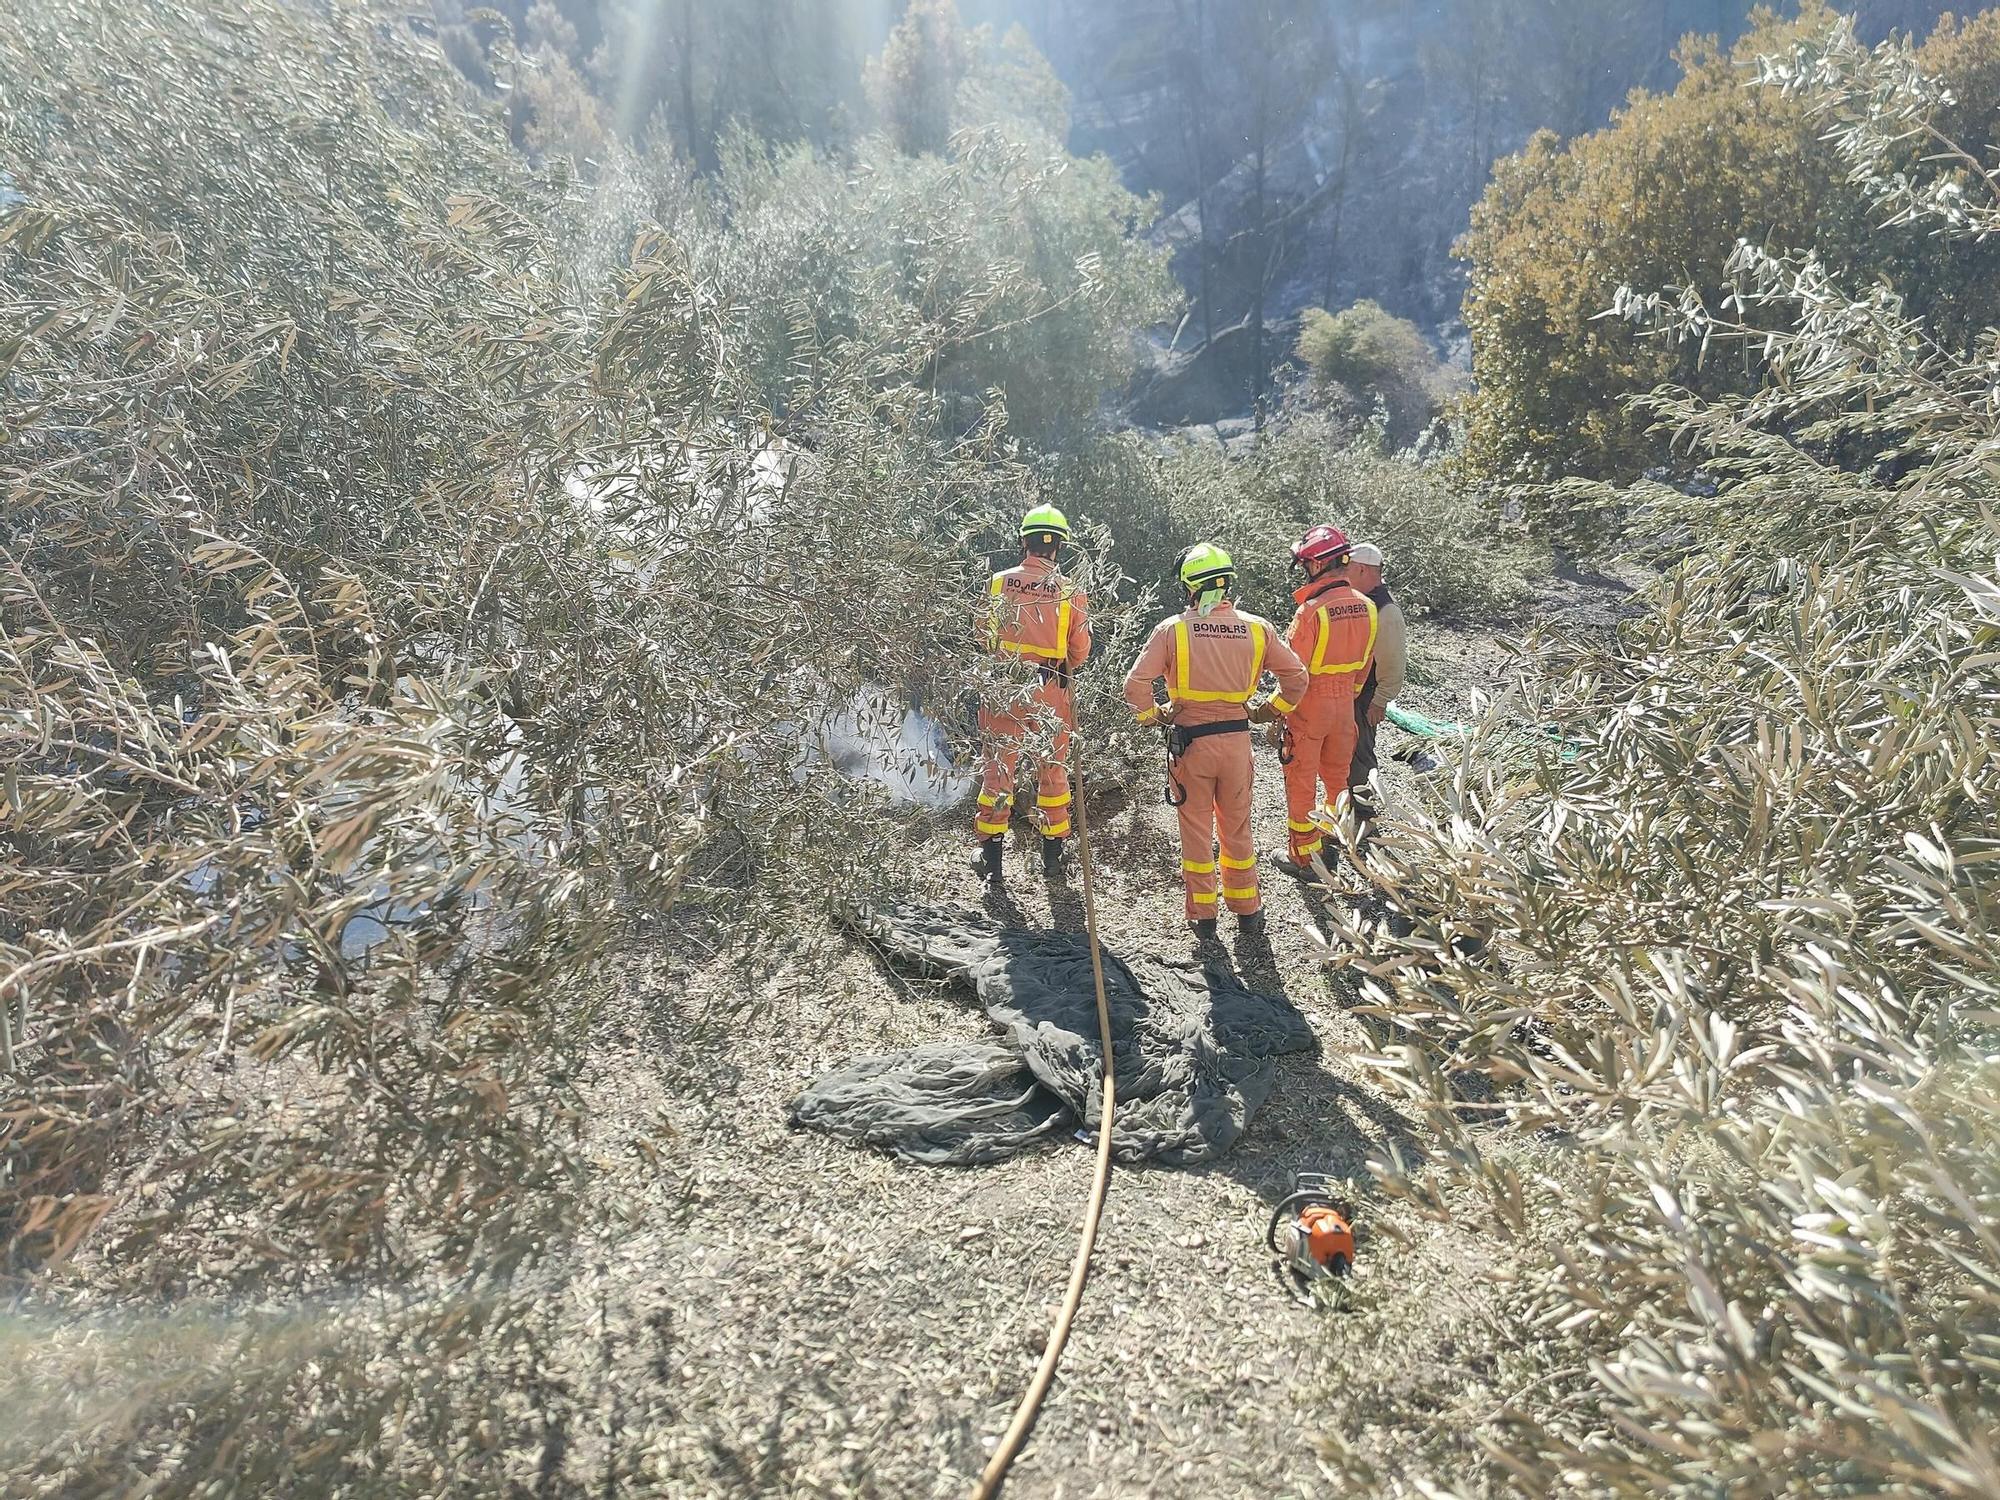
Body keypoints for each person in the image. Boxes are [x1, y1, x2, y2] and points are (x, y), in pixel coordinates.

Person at [1122, 543, 1308, 939]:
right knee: (1237, 827)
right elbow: (1297, 678)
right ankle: (1248, 910)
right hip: (1237, 744)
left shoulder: (1172, 629)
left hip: (1191, 746)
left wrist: (1155, 717)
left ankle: (1203, 916)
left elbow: (1135, 685)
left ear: (1189, 586)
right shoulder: (1257, 628)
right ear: (1227, 584)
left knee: (1195, 830)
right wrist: (1267, 710)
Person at [973, 503, 1091, 885]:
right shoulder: (1070, 591)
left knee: (998, 771)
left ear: (1024, 542)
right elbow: (1079, 651)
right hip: (1050, 689)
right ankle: (1052, 860)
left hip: (1004, 688)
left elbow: (983, 635)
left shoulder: (998, 582)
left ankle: (991, 860)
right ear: (1059, 546)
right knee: (1052, 772)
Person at [1274, 524, 1377, 877]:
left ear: (1317, 564)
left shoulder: (1311, 612)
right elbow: (1364, 668)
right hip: (1345, 707)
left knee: (1301, 782)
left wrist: (1274, 709)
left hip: (1309, 709)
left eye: (1305, 564)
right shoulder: (1367, 607)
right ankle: (1333, 840)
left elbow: (1293, 674)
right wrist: (1346, 696)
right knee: (1337, 780)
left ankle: (1304, 858)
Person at [1346, 542, 1407, 826]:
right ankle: (1349, 813)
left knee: (1360, 755)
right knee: (1347, 753)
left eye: (1347, 569)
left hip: (1367, 695)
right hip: (1354, 692)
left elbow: (1393, 662)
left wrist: (1380, 700)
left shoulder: (1386, 610)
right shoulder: (1366, 602)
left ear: (1362, 569)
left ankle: (1364, 817)